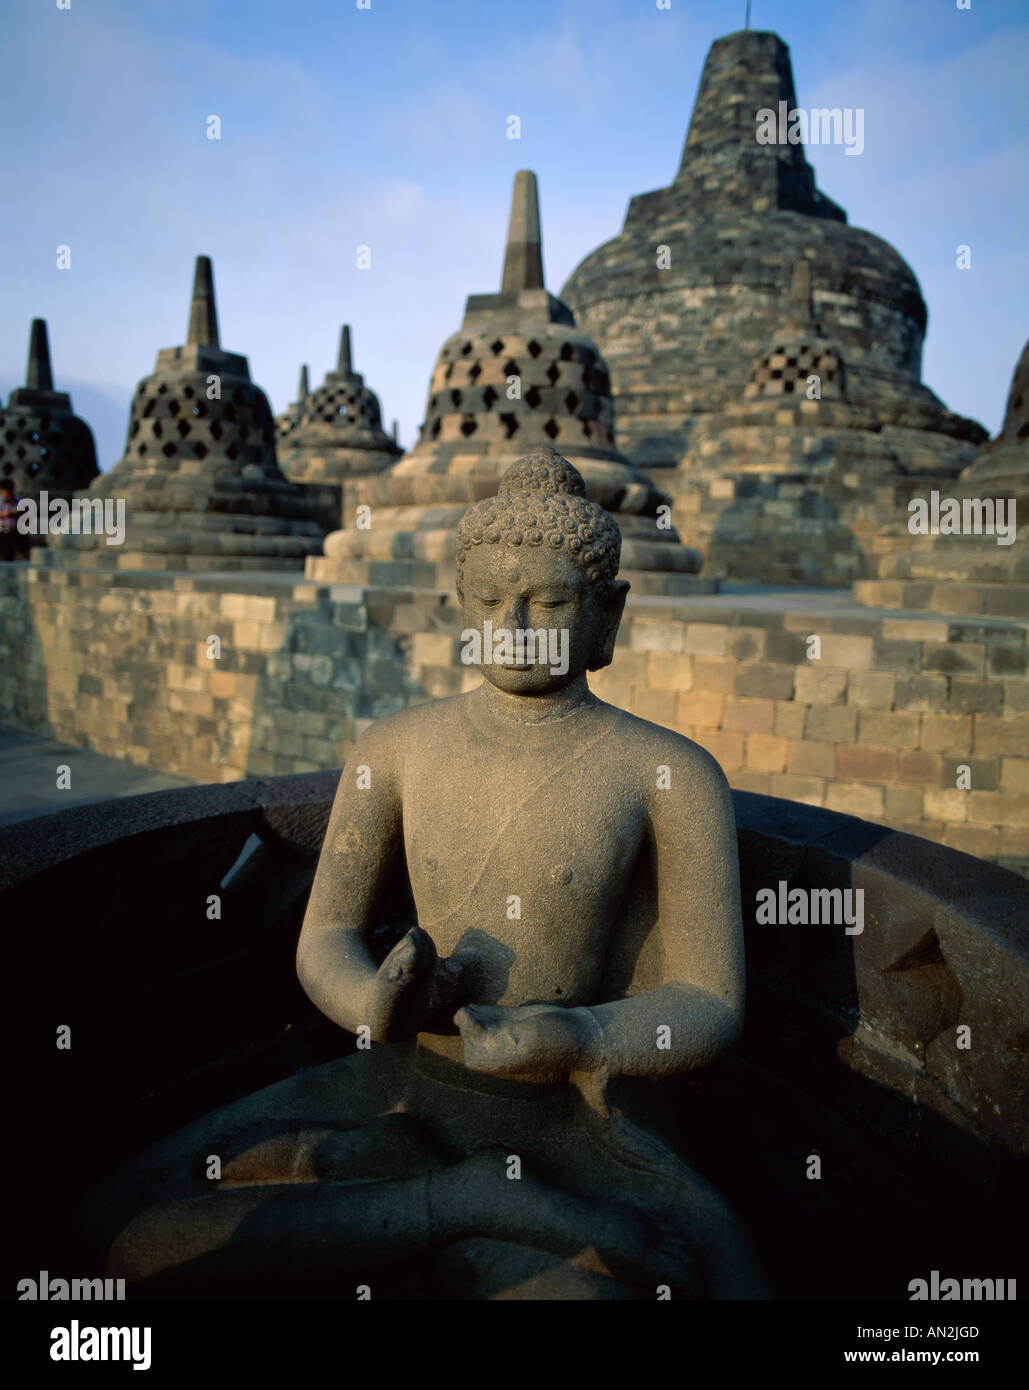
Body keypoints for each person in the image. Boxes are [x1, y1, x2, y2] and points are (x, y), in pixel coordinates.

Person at [89, 448, 767, 1299]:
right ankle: (452, 1200)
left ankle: (461, 1204)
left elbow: (708, 1000)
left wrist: (580, 1037)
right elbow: (326, 937)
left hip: (573, 1117)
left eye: (549, 602)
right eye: (488, 603)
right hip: (405, 1080)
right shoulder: (396, 749)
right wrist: (374, 1002)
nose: (513, 625)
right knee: (139, 1238)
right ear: (460, 609)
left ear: (607, 614)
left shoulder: (668, 773)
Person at [0, 479, 25, 561]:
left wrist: (19, 512)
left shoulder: (19, 501)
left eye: (11, 493)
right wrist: (4, 514)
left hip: (15, 533)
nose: (9, 495)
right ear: (2, 491)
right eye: (7, 493)